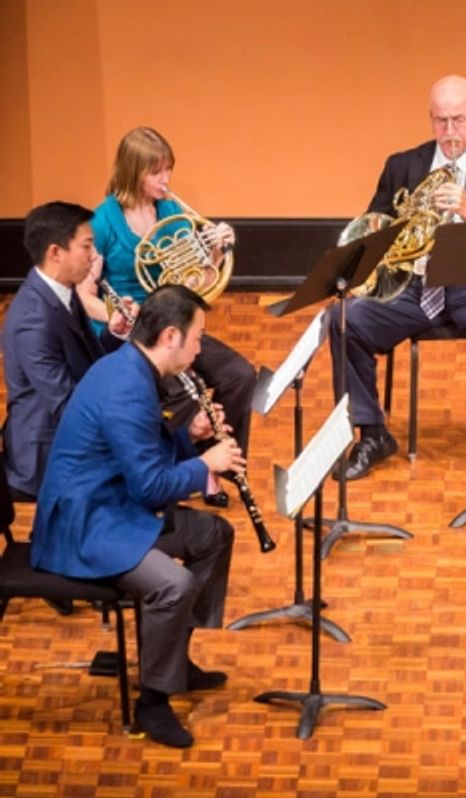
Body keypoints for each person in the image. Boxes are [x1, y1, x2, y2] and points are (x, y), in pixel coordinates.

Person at [30, 285, 243, 749]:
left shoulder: (134, 367)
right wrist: (206, 464)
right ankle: (153, 701)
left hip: (112, 503)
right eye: (197, 338)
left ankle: (173, 657)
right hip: (84, 525)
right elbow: (149, 485)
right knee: (173, 585)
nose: (200, 349)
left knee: (213, 534)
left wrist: (190, 435)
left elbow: (145, 452)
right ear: (170, 336)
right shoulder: (126, 388)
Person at [329, 74, 466, 486]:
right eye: (441, 121)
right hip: (414, 290)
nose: (450, 132)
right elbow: (374, 229)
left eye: (459, 120)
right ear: (430, 118)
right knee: (344, 320)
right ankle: (372, 434)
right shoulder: (402, 166)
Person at [80, 126, 257, 507]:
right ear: (133, 172)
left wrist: (216, 252)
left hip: (174, 322)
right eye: (156, 172)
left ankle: (218, 463)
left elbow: (199, 279)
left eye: (168, 170)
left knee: (240, 375)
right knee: (184, 394)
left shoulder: (171, 211)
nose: (166, 180)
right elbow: (84, 295)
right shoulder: (104, 222)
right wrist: (117, 314)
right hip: (133, 334)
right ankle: (191, 471)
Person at [3, 202, 133, 500]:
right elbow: (66, 405)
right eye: (86, 246)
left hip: (72, 423)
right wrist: (128, 422)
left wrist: (115, 332)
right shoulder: (33, 320)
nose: (94, 255)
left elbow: (88, 362)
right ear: (55, 253)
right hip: (48, 453)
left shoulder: (63, 291)